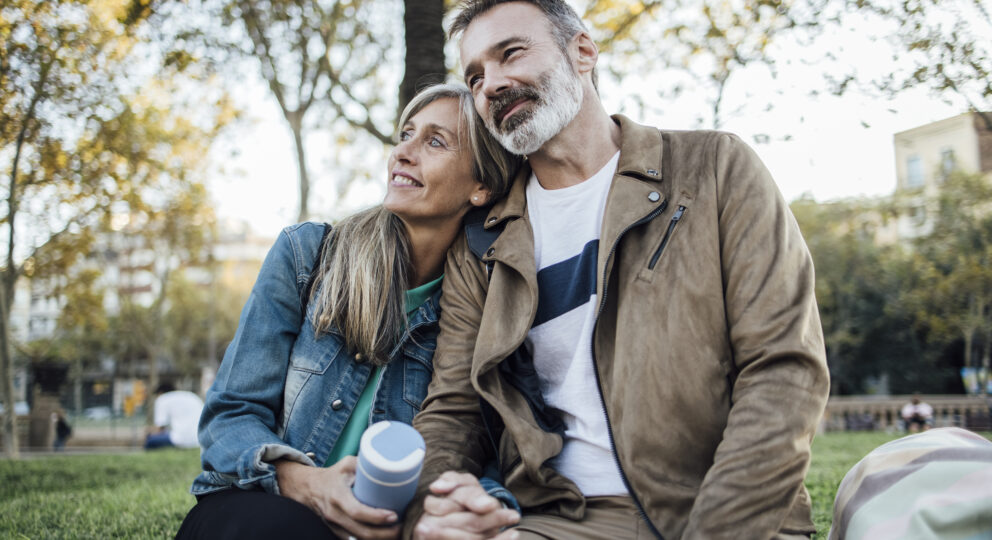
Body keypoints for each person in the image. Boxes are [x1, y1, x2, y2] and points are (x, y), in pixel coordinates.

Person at [407, 2, 831, 539]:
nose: (491, 84)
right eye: (475, 77)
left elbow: (783, 369)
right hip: (557, 522)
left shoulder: (716, 168)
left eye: (510, 53)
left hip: (723, 513)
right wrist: (435, 501)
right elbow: (453, 413)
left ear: (582, 51)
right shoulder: (482, 242)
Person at [176, 84, 523, 540]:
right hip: (265, 505)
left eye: (434, 141)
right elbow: (230, 416)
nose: (403, 152)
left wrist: (477, 508)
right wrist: (310, 485)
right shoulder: (306, 257)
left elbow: (481, 453)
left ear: (482, 187)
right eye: (406, 134)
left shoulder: (484, 308)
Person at [144, 382, 204, 450]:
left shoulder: (162, 399)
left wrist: (148, 431)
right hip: (200, 440)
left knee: (150, 440)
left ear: (160, 393)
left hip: (181, 439)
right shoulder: (191, 396)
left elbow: (160, 429)